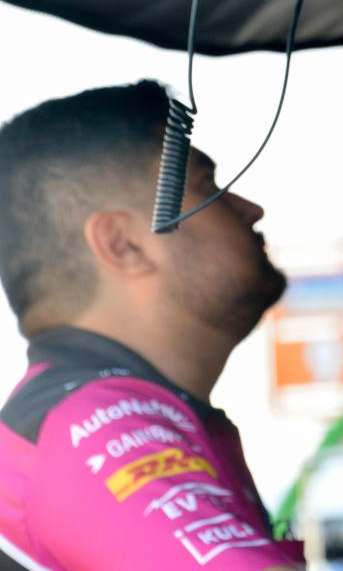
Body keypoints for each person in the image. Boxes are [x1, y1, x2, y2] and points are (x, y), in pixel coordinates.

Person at [0, 81, 304, 571]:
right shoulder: (97, 424)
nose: (250, 208)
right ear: (123, 244)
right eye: (207, 188)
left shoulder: (93, 415)